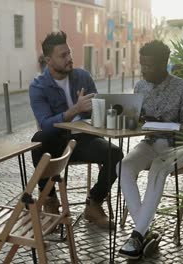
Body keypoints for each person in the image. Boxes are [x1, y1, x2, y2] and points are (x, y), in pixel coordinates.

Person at [29, 31, 123, 229]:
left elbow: (97, 111)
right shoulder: (38, 86)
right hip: (56, 142)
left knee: (115, 154)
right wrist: (75, 110)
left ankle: (94, 203)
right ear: (48, 59)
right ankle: (51, 199)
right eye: (63, 55)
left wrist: (108, 111)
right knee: (38, 141)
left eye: (69, 53)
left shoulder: (82, 76)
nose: (69, 58)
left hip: (84, 139)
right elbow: (46, 124)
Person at [117, 40, 183, 259]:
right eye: (141, 65)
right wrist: (135, 120)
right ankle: (144, 232)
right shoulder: (140, 86)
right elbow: (135, 120)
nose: (143, 70)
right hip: (149, 144)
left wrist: (166, 125)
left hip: (177, 148)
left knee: (157, 170)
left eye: (148, 66)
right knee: (122, 166)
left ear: (164, 63)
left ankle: (137, 236)